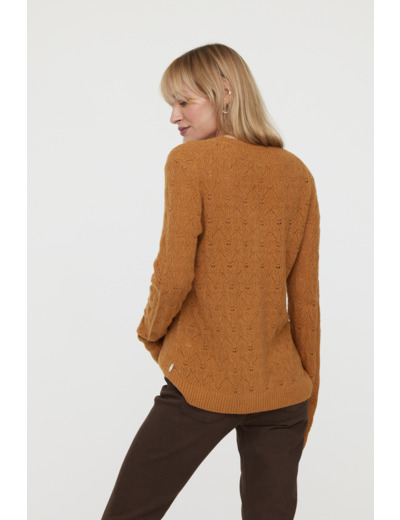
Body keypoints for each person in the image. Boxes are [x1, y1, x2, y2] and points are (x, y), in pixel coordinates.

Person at [101, 43, 321, 520]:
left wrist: (150, 331)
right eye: (171, 104)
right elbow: (306, 301)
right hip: (284, 390)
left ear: (225, 91)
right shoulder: (297, 173)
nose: (174, 117)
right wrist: (308, 397)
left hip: (202, 382)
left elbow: (173, 271)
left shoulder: (189, 162)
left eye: (184, 102)